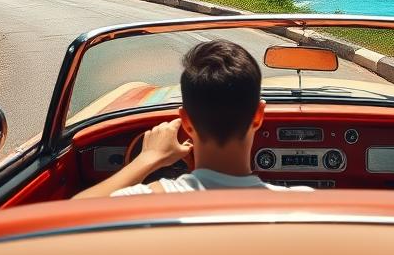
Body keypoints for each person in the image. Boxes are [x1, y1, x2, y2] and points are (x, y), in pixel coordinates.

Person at [74, 39, 308, 197]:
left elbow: (69, 218)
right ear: (258, 116)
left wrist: (147, 159)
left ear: (186, 121)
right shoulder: (304, 206)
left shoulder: (149, 202)